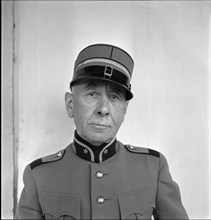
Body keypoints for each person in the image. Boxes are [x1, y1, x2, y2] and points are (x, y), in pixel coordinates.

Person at [15, 44, 189, 219]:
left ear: (124, 110)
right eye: (92, 94)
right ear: (70, 104)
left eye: (114, 97)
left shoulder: (153, 167)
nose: (104, 109)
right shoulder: (39, 176)